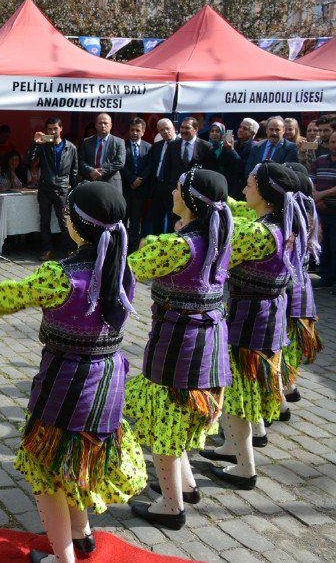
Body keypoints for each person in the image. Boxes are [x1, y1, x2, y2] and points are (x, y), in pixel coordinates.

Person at [0, 181, 145, 563]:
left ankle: (64, 558)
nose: (64, 218)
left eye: (68, 213)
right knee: (73, 461)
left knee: (47, 471)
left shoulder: (59, 274)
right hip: (108, 379)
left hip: (67, 384)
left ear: (78, 224)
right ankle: (82, 535)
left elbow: (10, 294)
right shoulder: (121, 264)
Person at [124, 169, 234, 530]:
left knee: (166, 424)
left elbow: (128, 271)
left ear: (188, 200)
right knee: (180, 419)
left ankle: (171, 506)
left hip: (178, 344)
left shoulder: (179, 245)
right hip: (210, 339)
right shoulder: (219, 235)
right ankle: (185, 486)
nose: (172, 191)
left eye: (177, 188)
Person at [199, 163, 301, 491]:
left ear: (265, 193)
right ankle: (234, 446)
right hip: (268, 313)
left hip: (251, 317)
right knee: (247, 386)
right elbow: (234, 205)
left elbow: (216, 250)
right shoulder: (283, 221)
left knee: (239, 392)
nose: (244, 191)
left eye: (249, 185)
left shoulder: (258, 233)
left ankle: (245, 469)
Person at [275, 164, 321, 421]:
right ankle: (288, 389)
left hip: (291, 293)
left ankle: (281, 400)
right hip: (302, 291)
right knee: (286, 349)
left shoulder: (292, 219)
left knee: (282, 349)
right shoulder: (307, 213)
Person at [26, 117, 78, 261]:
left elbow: (74, 171)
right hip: (45, 188)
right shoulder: (43, 145)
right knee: (44, 221)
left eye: (55, 128)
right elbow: (28, 161)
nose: (52, 131)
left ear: (61, 128)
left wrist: (73, 189)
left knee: (64, 221)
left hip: (62, 189)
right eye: (49, 129)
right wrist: (34, 143)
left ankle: (68, 249)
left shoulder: (71, 147)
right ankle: (47, 249)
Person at [122, 118, 151, 250]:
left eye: (137, 130)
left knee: (135, 222)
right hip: (125, 189)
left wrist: (140, 180)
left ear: (143, 132)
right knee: (122, 220)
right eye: (132, 130)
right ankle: (121, 246)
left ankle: (133, 248)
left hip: (140, 191)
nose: (134, 133)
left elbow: (150, 166)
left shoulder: (149, 147)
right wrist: (131, 179)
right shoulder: (122, 145)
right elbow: (120, 165)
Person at [312, 131, 336, 288]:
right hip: (321, 211)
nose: (334, 145)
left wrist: (321, 195)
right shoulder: (320, 161)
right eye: (333, 141)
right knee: (325, 246)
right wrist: (317, 197)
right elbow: (311, 179)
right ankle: (326, 278)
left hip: (334, 211)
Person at [78, 113, 126, 189]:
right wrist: (91, 171)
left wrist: (101, 171)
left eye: (105, 123)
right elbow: (81, 161)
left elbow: (120, 162)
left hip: (111, 183)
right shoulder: (86, 142)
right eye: (100, 123)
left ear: (110, 125)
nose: (103, 125)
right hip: (91, 181)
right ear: (96, 125)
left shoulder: (119, 142)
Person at [148, 118, 179, 235]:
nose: (165, 132)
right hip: (157, 187)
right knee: (157, 220)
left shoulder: (180, 144)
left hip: (173, 189)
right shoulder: (157, 146)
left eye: (167, 128)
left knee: (173, 220)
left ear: (174, 129)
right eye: (162, 130)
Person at [167, 117, 212, 184]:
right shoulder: (173, 145)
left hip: (196, 187)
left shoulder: (206, 146)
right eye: (182, 127)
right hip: (176, 187)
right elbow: (168, 167)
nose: (183, 130)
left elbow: (209, 170)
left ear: (196, 129)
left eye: (187, 128)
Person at [223, 117, 259, 199]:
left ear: (253, 133)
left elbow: (243, 167)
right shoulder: (233, 143)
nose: (240, 130)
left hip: (241, 189)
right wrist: (224, 148)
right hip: (228, 186)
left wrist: (231, 150)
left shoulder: (255, 147)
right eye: (240, 127)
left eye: (245, 128)